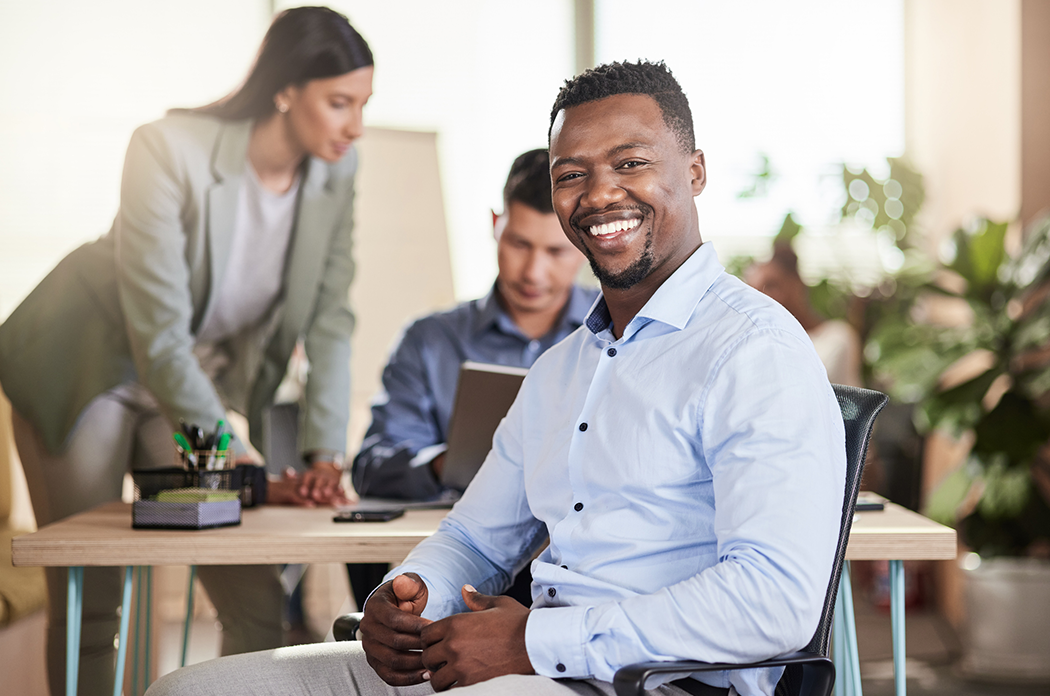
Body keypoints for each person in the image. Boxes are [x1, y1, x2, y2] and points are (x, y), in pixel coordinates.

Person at [146, 60, 845, 696]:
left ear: (693, 171)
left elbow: (775, 602)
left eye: (629, 163)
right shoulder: (560, 370)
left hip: (658, 684)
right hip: (528, 662)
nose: (599, 194)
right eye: (572, 174)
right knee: (188, 692)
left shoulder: (755, 349)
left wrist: (535, 642)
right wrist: (412, 591)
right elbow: (475, 540)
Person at [0, 6, 371, 694]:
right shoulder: (167, 149)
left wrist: (324, 453)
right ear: (286, 89)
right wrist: (241, 455)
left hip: (188, 383)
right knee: (93, 593)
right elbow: (159, 337)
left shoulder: (333, 174)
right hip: (90, 367)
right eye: (339, 103)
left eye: (363, 104)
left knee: (255, 596)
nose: (355, 125)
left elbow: (331, 317)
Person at [346, 148, 597, 608]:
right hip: (459, 556)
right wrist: (450, 462)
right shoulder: (429, 341)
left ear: (584, 244)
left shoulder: (615, 340)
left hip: (580, 570)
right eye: (519, 243)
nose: (533, 272)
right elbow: (372, 465)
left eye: (556, 251)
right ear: (495, 224)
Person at [745, 243, 863, 387]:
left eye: (770, 286)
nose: (762, 297)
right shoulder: (758, 345)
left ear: (797, 283)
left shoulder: (837, 339)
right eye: (753, 290)